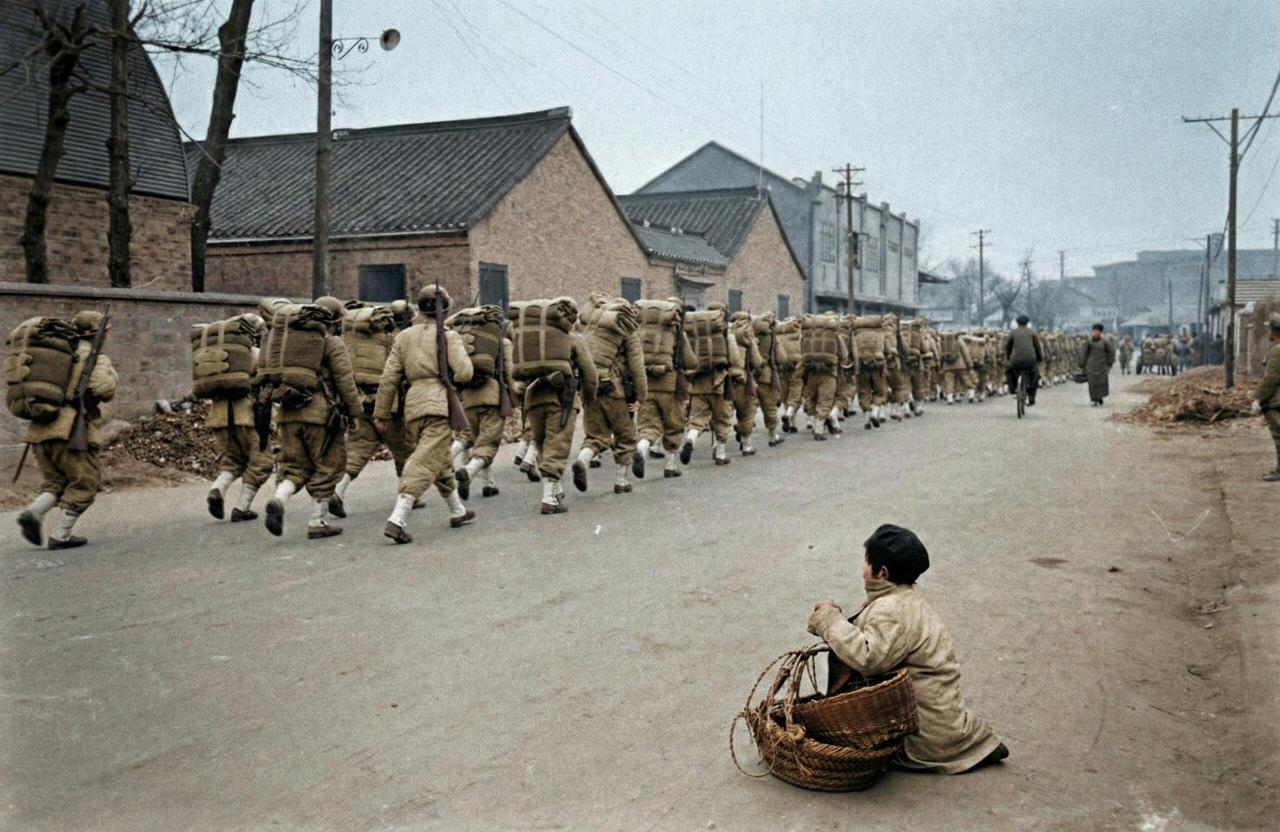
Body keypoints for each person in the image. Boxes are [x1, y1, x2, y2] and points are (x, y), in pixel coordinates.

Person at [807, 524, 1008, 774]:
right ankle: (970, 746)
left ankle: (950, 751)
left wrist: (829, 621)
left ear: (882, 572)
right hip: (940, 716)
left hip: (921, 734)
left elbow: (869, 658)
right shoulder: (907, 597)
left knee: (835, 739)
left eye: (866, 562)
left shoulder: (891, 609)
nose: (862, 570)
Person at [374, 285, 477, 543]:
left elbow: (389, 379)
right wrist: (448, 374)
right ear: (446, 308)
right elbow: (465, 372)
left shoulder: (404, 337)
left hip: (413, 407)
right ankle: (398, 518)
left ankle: (457, 510)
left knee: (439, 459)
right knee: (422, 461)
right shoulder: (448, 336)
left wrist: (382, 413)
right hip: (439, 404)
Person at [14, 312, 118, 550]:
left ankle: (33, 512)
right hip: (70, 432)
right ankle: (61, 535)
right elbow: (104, 389)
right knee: (85, 483)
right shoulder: (93, 357)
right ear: (96, 334)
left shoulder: (55, 355)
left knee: (56, 481)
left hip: (39, 432)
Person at [263, 297, 364, 539]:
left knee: (294, 465)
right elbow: (345, 382)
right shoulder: (332, 343)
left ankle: (279, 499)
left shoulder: (288, 345)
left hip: (287, 413)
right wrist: (354, 413)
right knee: (329, 464)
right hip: (321, 415)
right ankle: (317, 522)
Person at [203, 313, 273, 522]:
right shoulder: (253, 355)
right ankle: (242, 507)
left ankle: (217, 489)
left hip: (219, 418)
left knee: (233, 458)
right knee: (261, 462)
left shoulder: (214, 355)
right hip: (246, 417)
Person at [1253, 312, 1280, 482]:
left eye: (1268, 329)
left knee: (1278, 436)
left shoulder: (1276, 351)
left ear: (1274, 330)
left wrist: (1258, 398)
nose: (1267, 332)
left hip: (1276, 401)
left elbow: (1271, 378)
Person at [1003, 315, 1043, 406]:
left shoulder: (1013, 333)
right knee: (1035, 375)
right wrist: (1039, 358)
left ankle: (1013, 388)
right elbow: (1037, 347)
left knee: (1009, 371)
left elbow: (1007, 346)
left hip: (1016, 360)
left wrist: (1008, 357)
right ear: (1027, 323)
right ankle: (1032, 396)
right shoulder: (1032, 333)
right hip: (1030, 360)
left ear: (1017, 323)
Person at [1079, 323, 1116, 406]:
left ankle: (1099, 397)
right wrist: (1082, 364)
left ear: (1100, 332)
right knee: (1092, 383)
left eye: (1097, 331)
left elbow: (1111, 353)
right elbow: (1084, 353)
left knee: (1101, 382)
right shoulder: (1088, 341)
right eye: (1094, 331)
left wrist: (1109, 363)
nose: (1095, 333)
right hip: (1090, 366)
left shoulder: (1106, 341)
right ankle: (1094, 399)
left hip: (1102, 366)